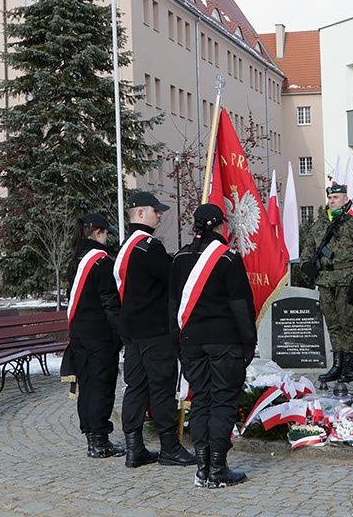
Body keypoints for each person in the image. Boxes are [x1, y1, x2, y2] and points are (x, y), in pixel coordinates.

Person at [169, 204, 256, 488]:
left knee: (201, 402)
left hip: (191, 341)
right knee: (222, 403)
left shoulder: (179, 258)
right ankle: (217, 469)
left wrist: (177, 344)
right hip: (224, 341)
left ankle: (203, 467)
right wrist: (248, 344)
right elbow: (241, 307)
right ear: (220, 226)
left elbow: (172, 308)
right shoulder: (228, 258)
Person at [116, 191, 195, 469]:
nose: (159, 215)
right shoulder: (149, 246)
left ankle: (134, 447)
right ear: (139, 213)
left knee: (135, 387)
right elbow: (172, 278)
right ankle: (169, 447)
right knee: (161, 388)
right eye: (155, 211)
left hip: (132, 329)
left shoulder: (126, 246)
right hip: (154, 329)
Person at [301, 183, 353, 385]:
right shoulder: (319, 226)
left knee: (347, 324)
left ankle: (348, 367)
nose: (332, 201)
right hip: (325, 281)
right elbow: (307, 250)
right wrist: (306, 265)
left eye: (336, 198)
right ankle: (337, 364)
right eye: (330, 198)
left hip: (347, 280)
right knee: (333, 325)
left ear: (344, 199)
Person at [65, 212, 125, 459]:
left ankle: (92, 436)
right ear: (99, 233)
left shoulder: (75, 261)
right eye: (106, 233)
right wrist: (120, 335)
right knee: (102, 386)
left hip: (79, 333)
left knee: (87, 385)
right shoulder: (102, 263)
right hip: (100, 335)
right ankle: (100, 440)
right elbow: (111, 304)